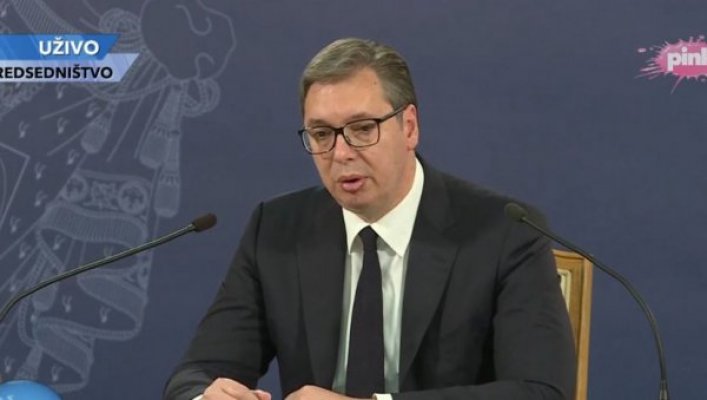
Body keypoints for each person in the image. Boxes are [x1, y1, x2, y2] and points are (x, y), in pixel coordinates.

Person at [164, 38, 575, 400]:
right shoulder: (276, 230)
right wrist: (207, 396)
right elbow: (198, 372)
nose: (341, 153)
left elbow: (540, 391)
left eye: (362, 129)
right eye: (321, 134)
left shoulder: (504, 233)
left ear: (409, 127)